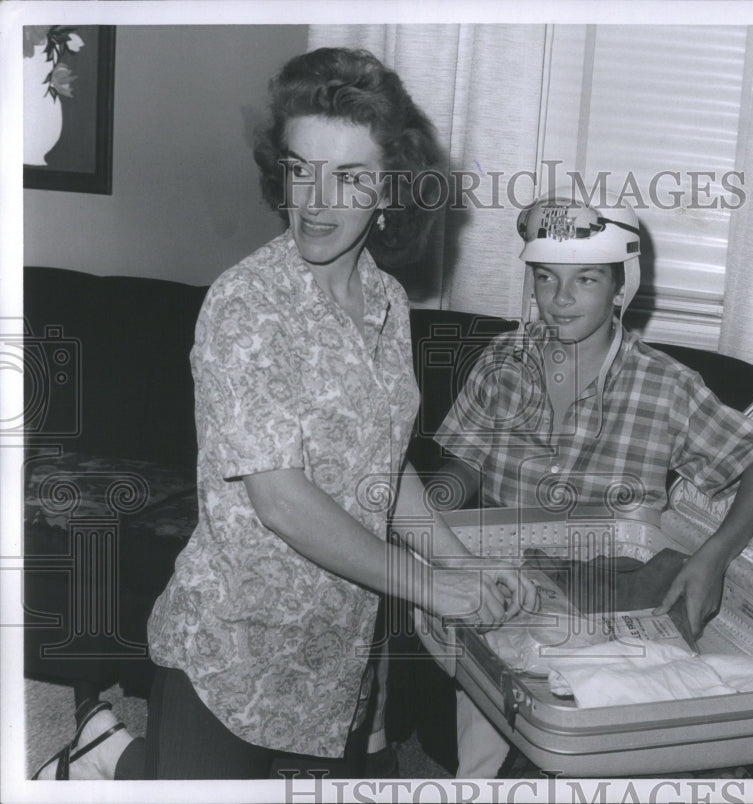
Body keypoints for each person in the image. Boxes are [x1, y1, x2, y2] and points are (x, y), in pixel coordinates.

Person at [33, 46, 533, 782]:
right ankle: (108, 753)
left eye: (349, 177)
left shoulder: (390, 303)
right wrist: (434, 586)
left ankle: (108, 747)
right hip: (231, 652)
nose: (317, 201)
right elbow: (282, 501)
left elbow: (382, 468)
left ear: (390, 189)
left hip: (341, 650)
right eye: (302, 169)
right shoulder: (246, 305)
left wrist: (463, 560)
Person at [427, 192, 753, 778]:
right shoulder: (502, 361)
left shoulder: (667, 386)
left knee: (599, 752)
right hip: (507, 583)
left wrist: (712, 559)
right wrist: (426, 518)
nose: (559, 299)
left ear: (621, 288)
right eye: (545, 278)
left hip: (617, 598)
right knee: (483, 743)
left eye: (586, 280)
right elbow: (463, 468)